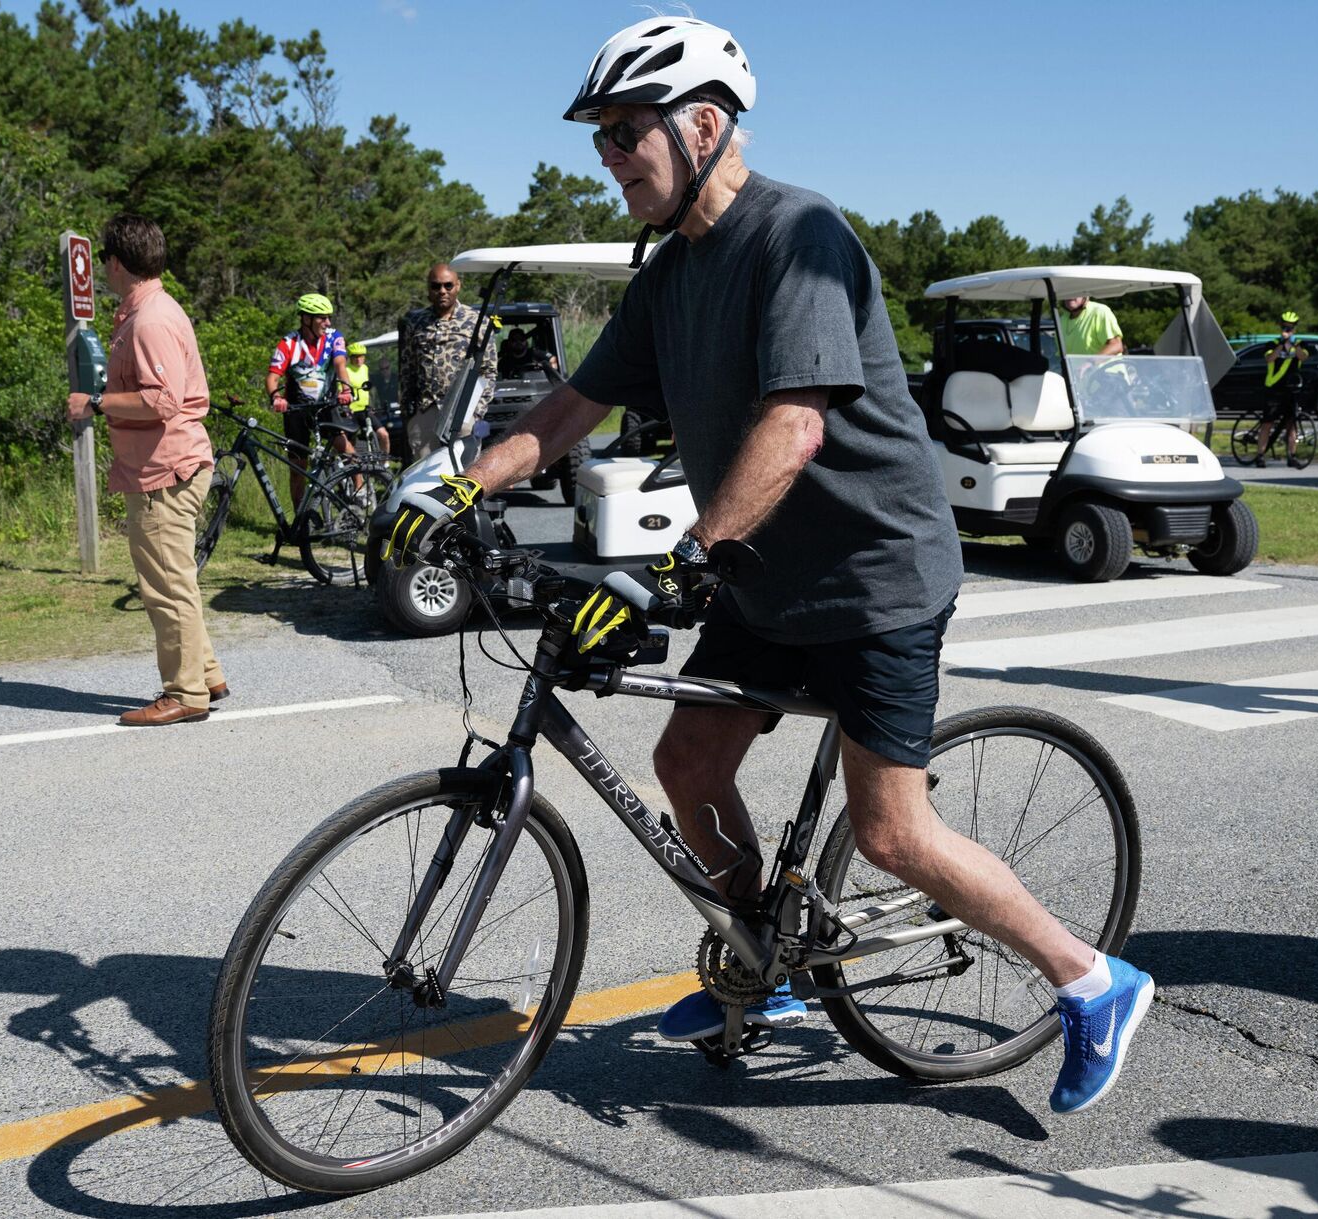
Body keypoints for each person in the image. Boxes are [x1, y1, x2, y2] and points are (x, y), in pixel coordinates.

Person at [384, 16, 1152, 1116]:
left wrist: (681, 562)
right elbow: (569, 407)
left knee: (890, 830)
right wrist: (466, 481)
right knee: (690, 765)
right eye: (599, 137)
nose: (609, 156)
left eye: (624, 132)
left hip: (873, 574)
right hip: (764, 573)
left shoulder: (802, 236)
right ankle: (766, 960)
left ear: (704, 125)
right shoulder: (668, 273)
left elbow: (796, 425)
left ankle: (1090, 979)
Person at [66, 213, 227, 726]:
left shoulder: (151, 319)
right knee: (176, 578)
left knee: (165, 586)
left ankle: (185, 694)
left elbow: (161, 401)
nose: (104, 271)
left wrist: (94, 402)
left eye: (105, 262)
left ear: (116, 262)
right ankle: (207, 675)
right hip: (167, 467)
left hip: (165, 473)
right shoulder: (147, 310)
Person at [399, 264, 497, 458]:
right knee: (423, 477)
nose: (442, 291)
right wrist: (409, 414)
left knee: (464, 475)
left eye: (448, 285)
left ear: (458, 286)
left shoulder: (477, 321)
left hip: (463, 411)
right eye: (436, 286)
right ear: (428, 288)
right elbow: (407, 369)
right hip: (426, 411)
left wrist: (477, 411)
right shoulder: (416, 323)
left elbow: (488, 370)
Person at [266, 293, 354, 507]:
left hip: (326, 405)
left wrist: (345, 389)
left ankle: (361, 493)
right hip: (296, 410)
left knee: (345, 448)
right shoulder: (288, 343)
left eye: (328, 317)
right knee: (298, 466)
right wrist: (276, 397)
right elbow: (272, 377)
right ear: (306, 319)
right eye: (321, 318)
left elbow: (341, 364)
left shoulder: (334, 337)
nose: (328, 322)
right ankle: (299, 516)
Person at [1252, 311, 1311, 469]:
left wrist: (1294, 344)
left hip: (1291, 390)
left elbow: (1302, 357)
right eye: (1285, 328)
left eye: (1290, 328)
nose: (1288, 330)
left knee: (1292, 424)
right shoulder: (1272, 343)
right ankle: (1260, 455)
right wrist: (1281, 344)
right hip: (1273, 388)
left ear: (1295, 329)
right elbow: (1269, 358)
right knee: (1267, 423)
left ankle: (1291, 456)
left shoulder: (1300, 343)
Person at [343, 339, 391, 457]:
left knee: (384, 435)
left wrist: (372, 405)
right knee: (348, 443)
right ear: (350, 357)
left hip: (365, 409)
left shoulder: (365, 368)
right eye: (355, 357)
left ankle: (384, 465)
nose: (359, 359)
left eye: (361, 356)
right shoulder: (345, 370)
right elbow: (341, 391)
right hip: (351, 411)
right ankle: (342, 467)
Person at [1057, 295, 1124, 357]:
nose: (1070, 295)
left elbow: (1116, 345)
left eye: (1075, 291)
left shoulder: (1100, 311)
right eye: (1067, 292)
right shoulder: (1062, 319)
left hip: (1106, 369)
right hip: (1076, 370)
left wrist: (1091, 363)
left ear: (1085, 295)